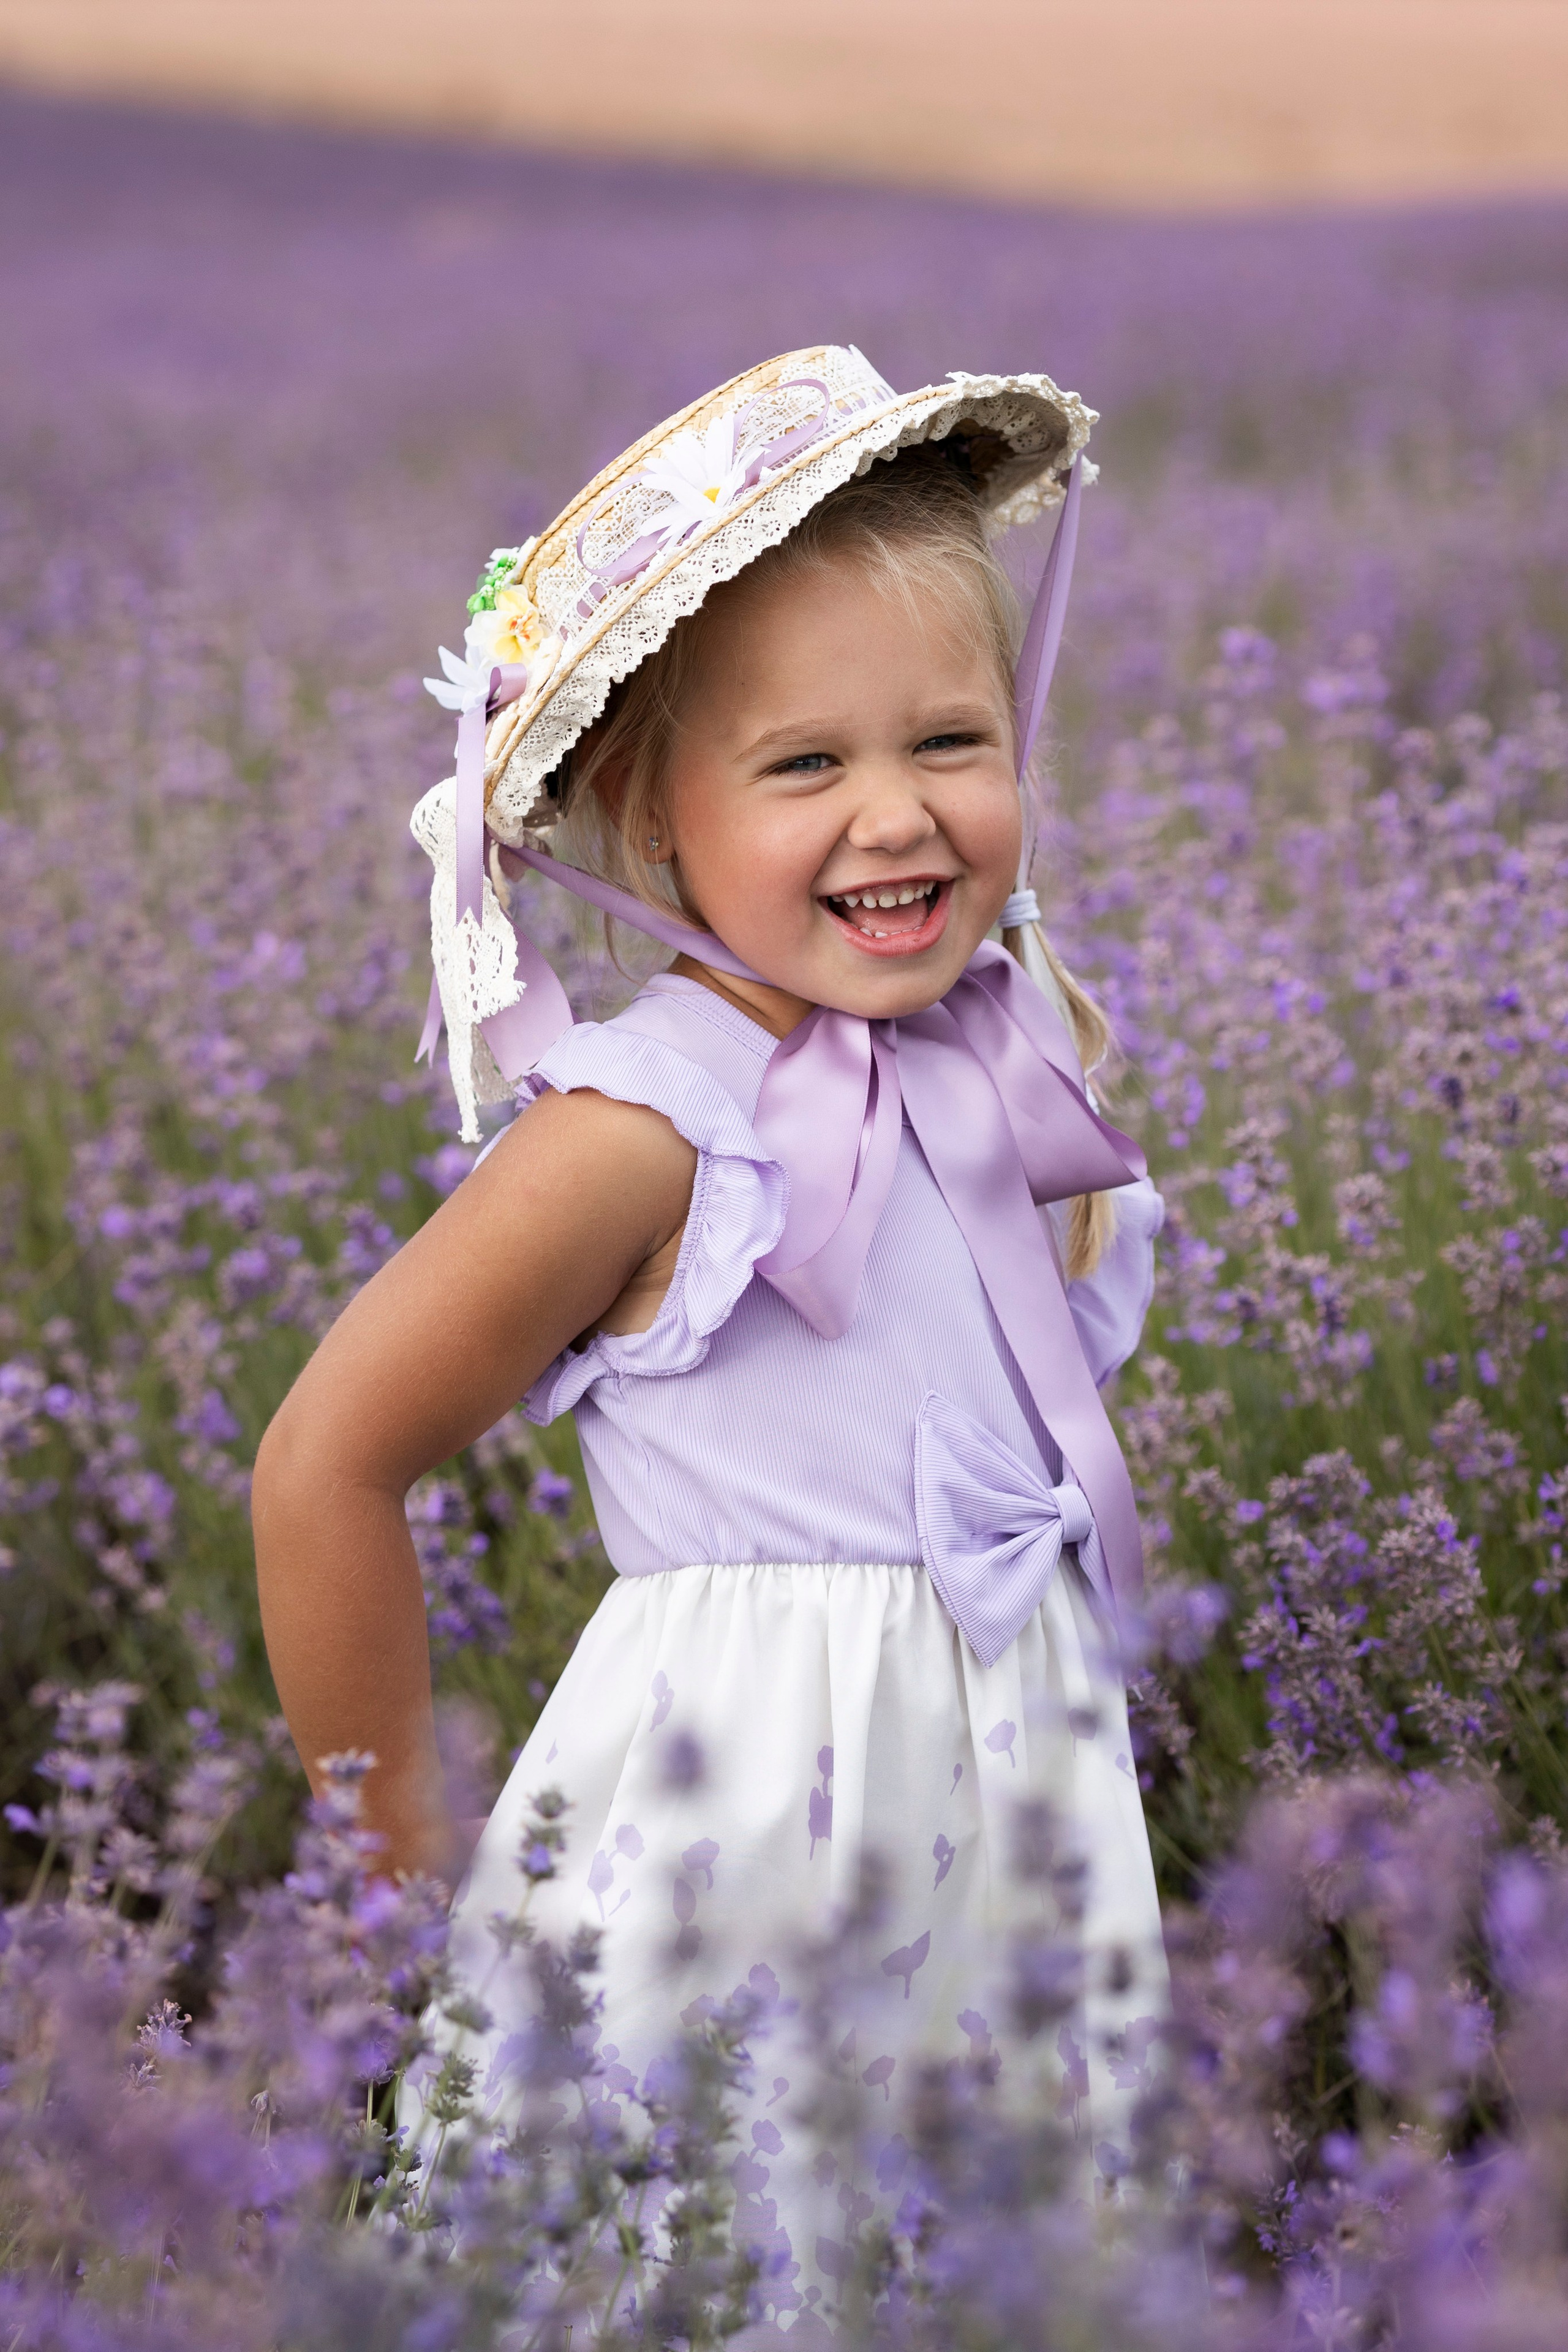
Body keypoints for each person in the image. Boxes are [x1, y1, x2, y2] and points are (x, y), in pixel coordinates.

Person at [252, 345, 1167, 2326]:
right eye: (804, 765)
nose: (899, 815)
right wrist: (397, 1890)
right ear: (645, 815)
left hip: (1005, 1811)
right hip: (732, 1838)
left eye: (953, 739)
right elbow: (326, 1465)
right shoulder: (637, 1134)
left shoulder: (1039, 1053)